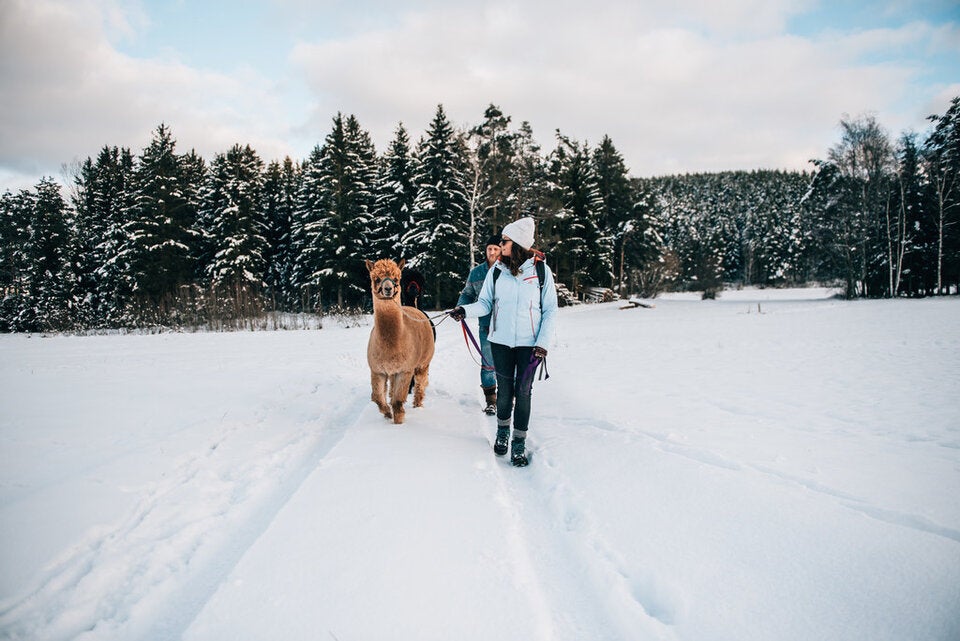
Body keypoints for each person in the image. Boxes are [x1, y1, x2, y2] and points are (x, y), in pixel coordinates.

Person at [449, 217, 558, 467]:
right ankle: (502, 433)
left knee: (523, 392)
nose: (501, 245)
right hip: (500, 342)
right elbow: (486, 302)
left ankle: (518, 444)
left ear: (517, 243)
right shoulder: (497, 271)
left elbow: (550, 310)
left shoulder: (541, 271)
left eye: (505, 241)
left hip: (530, 345)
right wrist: (464, 310)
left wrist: (543, 342)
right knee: (505, 392)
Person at [456, 234, 502, 415]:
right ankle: (491, 400)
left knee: (508, 365)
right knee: (488, 364)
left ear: (501, 250)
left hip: (507, 326)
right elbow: (467, 294)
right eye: (489, 249)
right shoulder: (476, 273)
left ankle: (508, 398)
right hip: (486, 326)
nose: (492, 252)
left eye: (496, 249)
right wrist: (461, 307)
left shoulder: (507, 271)